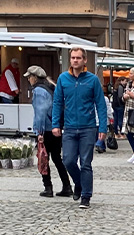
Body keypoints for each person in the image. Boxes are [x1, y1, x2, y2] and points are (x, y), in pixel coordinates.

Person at [52, 46, 107, 209]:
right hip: (69, 127)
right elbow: (57, 103)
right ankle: (79, 182)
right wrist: (56, 124)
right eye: (73, 58)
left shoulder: (92, 80)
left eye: (78, 58)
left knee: (85, 163)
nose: (75, 60)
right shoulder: (63, 79)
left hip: (88, 127)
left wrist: (102, 128)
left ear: (84, 60)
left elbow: (101, 105)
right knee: (67, 160)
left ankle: (86, 196)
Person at [25, 65, 72, 198]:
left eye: (29, 77)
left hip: (46, 129)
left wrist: (39, 133)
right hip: (55, 128)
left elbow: (40, 113)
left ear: (34, 77)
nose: (28, 79)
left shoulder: (39, 91)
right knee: (57, 158)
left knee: (43, 158)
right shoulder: (51, 87)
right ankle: (67, 186)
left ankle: (48, 187)